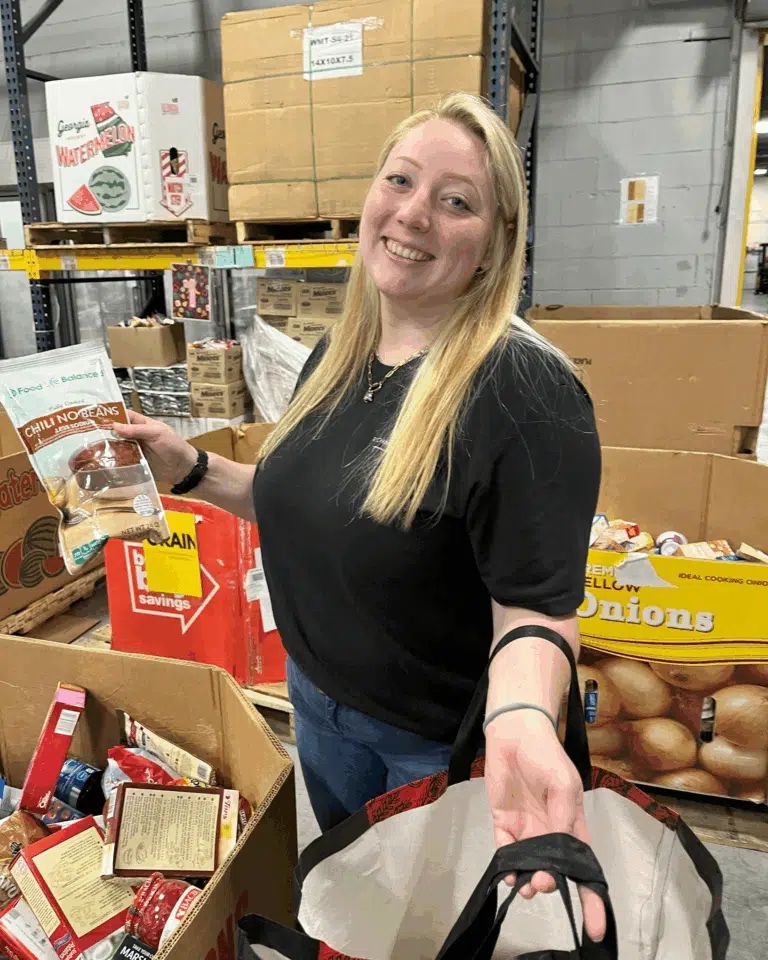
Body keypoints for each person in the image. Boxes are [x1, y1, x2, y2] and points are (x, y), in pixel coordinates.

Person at [113, 92, 604, 940]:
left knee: (426, 931)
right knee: (360, 911)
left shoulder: (526, 392)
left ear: (493, 244)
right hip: (319, 703)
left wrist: (522, 716)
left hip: (428, 746)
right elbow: (300, 502)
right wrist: (188, 468)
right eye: (400, 180)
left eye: (456, 201)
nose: (414, 213)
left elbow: (536, 607)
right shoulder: (342, 356)